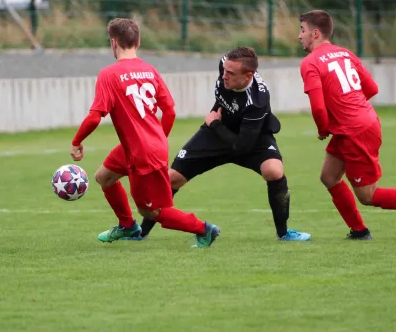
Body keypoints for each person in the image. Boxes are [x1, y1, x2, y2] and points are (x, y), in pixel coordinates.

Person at [124, 47, 311, 242]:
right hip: (215, 133)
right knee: (172, 178)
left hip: (250, 138)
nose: (224, 76)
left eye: (230, 73)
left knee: (274, 171)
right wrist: (215, 126)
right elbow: (228, 68)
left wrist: (213, 124)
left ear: (248, 76)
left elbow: (243, 147)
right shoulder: (226, 65)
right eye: (224, 70)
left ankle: (284, 233)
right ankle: (141, 233)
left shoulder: (257, 100)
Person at [297, 9, 396, 240]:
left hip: (354, 131)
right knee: (329, 176)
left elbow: (318, 108)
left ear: (315, 33)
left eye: (303, 30)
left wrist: (323, 129)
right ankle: (359, 231)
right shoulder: (345, 54)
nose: (299, 36)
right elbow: (372, 89)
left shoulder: (310, 63)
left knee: (368, 195)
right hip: (360, 123)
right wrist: (351, 109)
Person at [69, 17, 220, 248]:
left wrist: (77, 141)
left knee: (153, 211)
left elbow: (95, 116)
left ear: (113, 42)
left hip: (142, 152)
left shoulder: (109, 74)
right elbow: (169, 110)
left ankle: (204, 229)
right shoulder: (149, 70)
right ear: (137, 42)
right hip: (138, 147)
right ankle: (127, 226)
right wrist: (159, 138)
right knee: (104, 177)